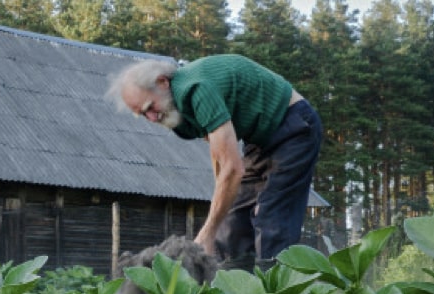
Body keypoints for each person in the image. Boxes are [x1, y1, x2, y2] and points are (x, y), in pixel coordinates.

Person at [106, 54, 322, 269]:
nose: (152, 118)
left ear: (162, 82)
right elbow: (218, 154)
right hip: (260, 142)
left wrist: (207, 232)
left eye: (149, 107)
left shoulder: (197, 90)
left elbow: (232, 168)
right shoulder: (177, 111)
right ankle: (229, 292)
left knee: (271, 219)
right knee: (232, 224)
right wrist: (215, 221)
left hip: (293, 127)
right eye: (142, 115)